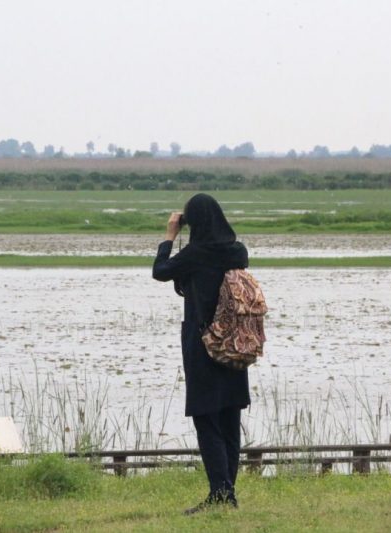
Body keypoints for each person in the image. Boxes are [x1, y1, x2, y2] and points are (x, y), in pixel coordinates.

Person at [152, 193, 251, 514]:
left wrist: (170, 236)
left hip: (202, 342)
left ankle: (220, 495)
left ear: (193, 221)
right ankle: (227, 493)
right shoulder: (238, 251)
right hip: (235, 342)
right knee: (229, 417)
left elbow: (161, 271)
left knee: (206, 417)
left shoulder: (195, 253)